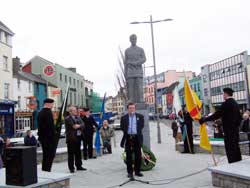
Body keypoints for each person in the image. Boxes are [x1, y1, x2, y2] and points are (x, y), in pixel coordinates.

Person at [199, 88, 242, 163]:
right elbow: (239, 118)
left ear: (226, 94)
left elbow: (217, 114)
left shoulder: (226, 103)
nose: (223, 95)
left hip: (228, 130)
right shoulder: (235, 103)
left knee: (230, 148)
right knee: (236, 147)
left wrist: (205, 119)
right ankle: (238, 161)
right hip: (235, 130)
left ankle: (232, 163)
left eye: (223, 94)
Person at [120, 102, 144, 179]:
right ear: (128, 109)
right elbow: (122, 127)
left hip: (137, 138)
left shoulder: (140, 116)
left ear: (135, 108)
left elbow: (141, 126)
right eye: (130, 108)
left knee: (138, 155)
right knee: (129, 156)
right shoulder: (124, 118)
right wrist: (127, 132)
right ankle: (130, 172)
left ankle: (137, 171)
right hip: (128, 137)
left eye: (133, 108)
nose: (132, 109)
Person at [124, 34, 146, 103]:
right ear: (130, 40)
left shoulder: (140, 49)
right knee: (131, 87)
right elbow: (125, 62)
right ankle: (131, 99)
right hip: (130, 71)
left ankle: (141, 98)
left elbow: (144, 59)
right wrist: (126, 72)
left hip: (138, 70)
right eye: (132, 39)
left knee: (140, 86)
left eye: (135, 39)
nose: (134, 40)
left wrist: (136, 63)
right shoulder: (127, 50)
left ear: (136, 40)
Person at [65, 106, 86, 173]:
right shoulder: (68, 118)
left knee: (78, 153)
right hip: (71, 139)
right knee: (71, 154)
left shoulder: (78, 117)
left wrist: (79, 126)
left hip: (78, 137)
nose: (76, 111)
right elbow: (73, 126)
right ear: (70, 112)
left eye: (76, 110)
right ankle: (71, 168)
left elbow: (83, 124)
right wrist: (79, 126)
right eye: (74, 110)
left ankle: (79, 166)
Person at [38, 98, 56, 172]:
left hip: (43, 138)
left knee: (45, 155)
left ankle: (45, 170)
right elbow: (50, 126)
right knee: (49, 155)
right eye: (52, 104)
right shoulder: (48, 112)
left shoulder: (40, 112)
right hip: (49, 138)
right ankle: (47, 170)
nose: (52, 105)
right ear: (48, 104)